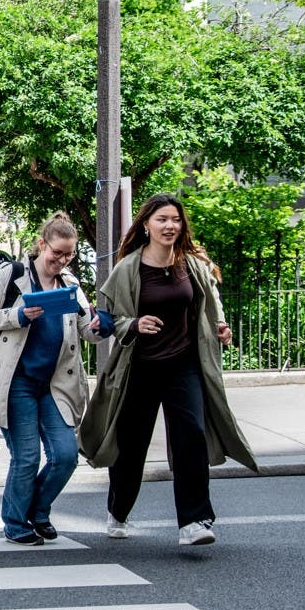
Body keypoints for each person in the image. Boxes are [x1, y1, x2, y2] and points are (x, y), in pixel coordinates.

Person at [78, 193, 258, 546]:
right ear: (146, 225)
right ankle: (118, 510)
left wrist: (221, 328)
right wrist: (132, 325)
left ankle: (193, 522)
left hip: (184, 366)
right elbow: (108, 320)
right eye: (162, 219)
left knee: (190, 436)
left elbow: (211, 306)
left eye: (175, 219)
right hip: (140, 368)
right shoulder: (128, 268)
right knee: (131, 446)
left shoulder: (192, 265)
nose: (170, 226)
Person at [0, 212, 103, 546]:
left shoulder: (69, 283)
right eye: (57, 253)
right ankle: (15, 521)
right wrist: (17, 316)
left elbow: (87, 330)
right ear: (41, 245)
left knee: (66, 455)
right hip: (15, 384)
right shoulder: (12, 274)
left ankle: (38, 510)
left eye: (68, 254)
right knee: (27, 457)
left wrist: (100, 327)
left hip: (55, 385)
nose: (61, 260)